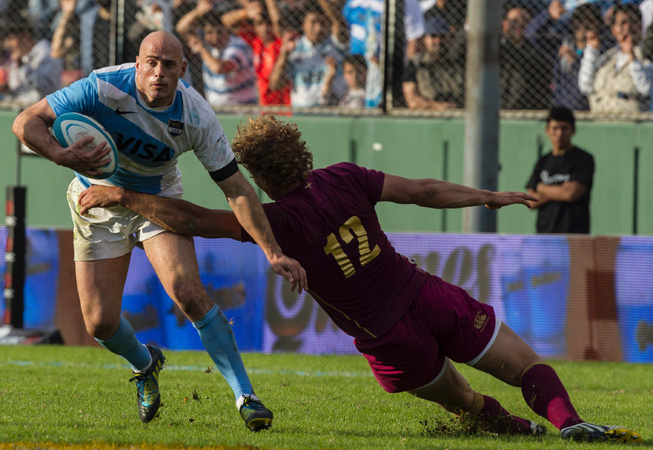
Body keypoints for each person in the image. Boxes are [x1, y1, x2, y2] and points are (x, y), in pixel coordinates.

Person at [76, 115, 641, 444]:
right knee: (524, 365)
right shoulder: (345, 177)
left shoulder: (273, 219)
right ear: (301, 150)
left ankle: (515, 428)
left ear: (259, 176)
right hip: (427, 297)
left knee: (466, 401)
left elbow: (193, 220)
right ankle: (569, 424)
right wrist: (489, 195)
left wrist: (126, 195)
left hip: (387, 339)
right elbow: (423, 192)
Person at [11, 31, 306, 431]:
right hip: (95, 200)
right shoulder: (100, 86)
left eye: (169, 65)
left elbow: (237, 188)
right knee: (99, 324)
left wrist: (272, 251)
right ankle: (145, 363)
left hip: (155, 200)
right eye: (151, 62)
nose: (159, 72)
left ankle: (247, 396)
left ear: (183, 70)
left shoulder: (196, 115)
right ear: (137, 64)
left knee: (189, 293)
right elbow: (25, 122)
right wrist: (62, 155)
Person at [526, 106, 594, 234]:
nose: (559, 134)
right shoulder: (543, 161)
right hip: (544, 236)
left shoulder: (584, 159)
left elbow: (571, 194)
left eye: (564, 128)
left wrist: (542, 188)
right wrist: (561, 189)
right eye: (555, 128)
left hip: (574, 236)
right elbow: (530, 201)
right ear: (547, 130)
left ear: (573, 131)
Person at [268, 0, 349, 107]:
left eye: (323, 23)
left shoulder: (335, 44)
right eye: (313, 22)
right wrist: (284, 54)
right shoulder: (295, 47)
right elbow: (275, 85)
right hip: (301, 112)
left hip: (330, 111)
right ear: (303, 24)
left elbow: (339, 22)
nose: (318, 28)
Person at [176, 1, 258, 106]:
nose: (215, 37)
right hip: (217, 110)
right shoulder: (208, 45)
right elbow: (181, 28)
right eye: (210, 32)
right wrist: (198, 12)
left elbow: (219, 68)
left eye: (219, 32)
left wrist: (201, 48)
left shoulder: (239, 46)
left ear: (227, 30)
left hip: (242, 110)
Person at [578, 3, 653, 113]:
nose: (627, 28)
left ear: (641, 27)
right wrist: (592, 51)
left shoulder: (647, 56)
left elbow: (646, 88)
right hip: (600, 118)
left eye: (632, 22)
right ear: (613, 30)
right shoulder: (607, 58)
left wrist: (632, 58)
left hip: (631, 121)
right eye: (622, 23)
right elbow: (585, 86)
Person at [220, 0, 292, 106]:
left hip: (284, 105)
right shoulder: (256, 42)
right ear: (255, 27)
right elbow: (225, 21)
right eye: (260, 24)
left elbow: (277, 19)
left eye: (269, 24)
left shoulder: (280, 42)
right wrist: (245, 13)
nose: (265, 28)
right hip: (265, 105)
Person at [402, 15, 462, 111]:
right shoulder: (416, 63)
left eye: (442, 36)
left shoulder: (459, 64)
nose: (438, 41)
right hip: (427, 117)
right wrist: (437, 106)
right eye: (433, 36)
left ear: (450, 39)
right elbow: (412, 100)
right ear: (425, 39)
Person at [500, 5, 553, 110]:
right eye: (514, 21)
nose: (520, 24)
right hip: (499, 105)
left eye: (525, 20)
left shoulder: (537, 53)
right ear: (505, 24)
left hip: (528, 107)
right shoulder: (496, 49)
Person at [0, 21, 62, 103]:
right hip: (15, 105)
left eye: (11, 38)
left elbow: (45, 88)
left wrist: (22, 66)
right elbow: (15, 89)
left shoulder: (45, 51)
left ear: (25, 35)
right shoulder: (19, 56)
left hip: (42, 106)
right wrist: (6, 90)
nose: (8, 44)